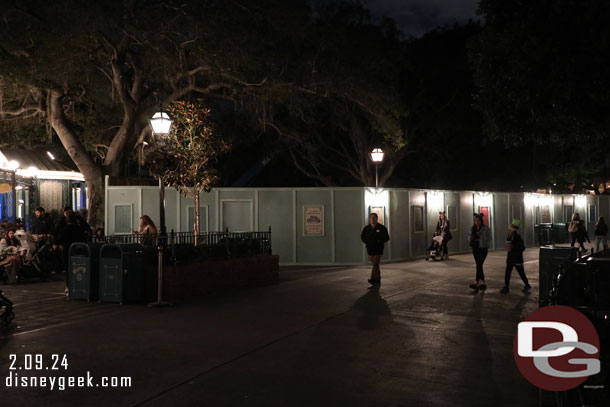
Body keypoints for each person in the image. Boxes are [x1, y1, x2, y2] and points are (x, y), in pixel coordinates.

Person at [500, 219, 531, 293]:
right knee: (507, 273)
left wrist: (513, 247)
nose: (509, 232)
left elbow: (522, 248)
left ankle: (527, 285)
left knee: (521, 273)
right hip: (510, 258)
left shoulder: (518, 238)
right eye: (508, 231)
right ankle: (506, 286)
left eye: (510, 231)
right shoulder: (509, 237)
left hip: (517, 259)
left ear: (513, 231)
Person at [58, 213, 86, 293]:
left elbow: (61, 241)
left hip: (67, 251)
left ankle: (68, 286)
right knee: (79, 268)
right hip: (78, 251)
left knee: (68, 268)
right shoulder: (79, 230)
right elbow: (84, 239)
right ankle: (79, 284)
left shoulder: (64, 230)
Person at [360, 213, 390, 286]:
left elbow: (387, 238)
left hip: (378, 248)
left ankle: (373, 279)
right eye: (371, 217)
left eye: (374, 217)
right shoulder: (366, 228)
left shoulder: (382, 228)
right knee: (375, 264)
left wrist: (380, 241)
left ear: (377, 218)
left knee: (375, 263)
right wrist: (367, 242)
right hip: (370, 248)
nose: (372, 219)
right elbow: (363, 237)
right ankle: (378, 276)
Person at [469, 213, 491, 290]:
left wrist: (480, 235)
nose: (477, 222)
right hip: (475, 247)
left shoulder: (485, 228)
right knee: (478, 264)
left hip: (483, 248)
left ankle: (478, 281)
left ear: (481, 221)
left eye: (478, 220)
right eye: (476, 220)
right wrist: (471, 237)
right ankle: (481, 282)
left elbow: (488, 238)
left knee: (479, 264)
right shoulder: (473, 228)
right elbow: (469, 237)